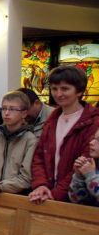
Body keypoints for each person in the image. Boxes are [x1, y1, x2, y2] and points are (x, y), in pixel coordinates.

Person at [29, 65, 99, 203]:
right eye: (54, 88)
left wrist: (55, 194)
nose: (58, 94)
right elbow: (39, 157)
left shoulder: (93, 122)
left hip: (76, 199)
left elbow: (84, 161)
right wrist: (41, 185)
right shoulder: (52, 120)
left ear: (79, 91)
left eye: (65, 88)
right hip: (47, 194)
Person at [69, 129, 99, 206]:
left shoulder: (91, 172)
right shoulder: (92, 166)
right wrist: (79, 177)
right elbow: (75, 199)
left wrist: (91, 176)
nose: (91, 142)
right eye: (93, 138)